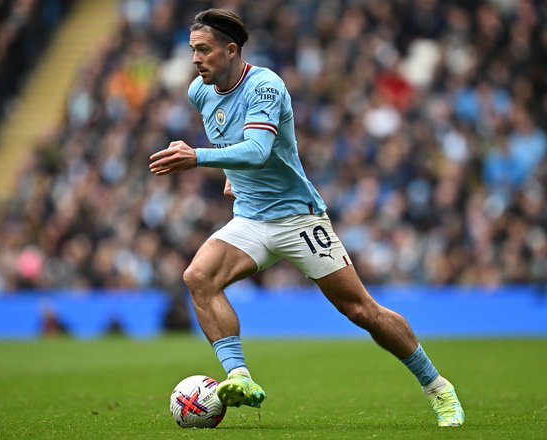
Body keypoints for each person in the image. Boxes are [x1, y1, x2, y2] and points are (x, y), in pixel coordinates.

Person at [149, 8, 465, 427]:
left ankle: (438, 387)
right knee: (198, 277)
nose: (195, 59)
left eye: (203, 50)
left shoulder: (266, 86)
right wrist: (230, 174)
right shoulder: (200, 92)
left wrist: (199, 158)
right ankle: (239, 376)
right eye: (192, 50)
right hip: (251, 219)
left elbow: (259, 150)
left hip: (299, 218)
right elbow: (232, 141)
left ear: (231, 50)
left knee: (361, 311)